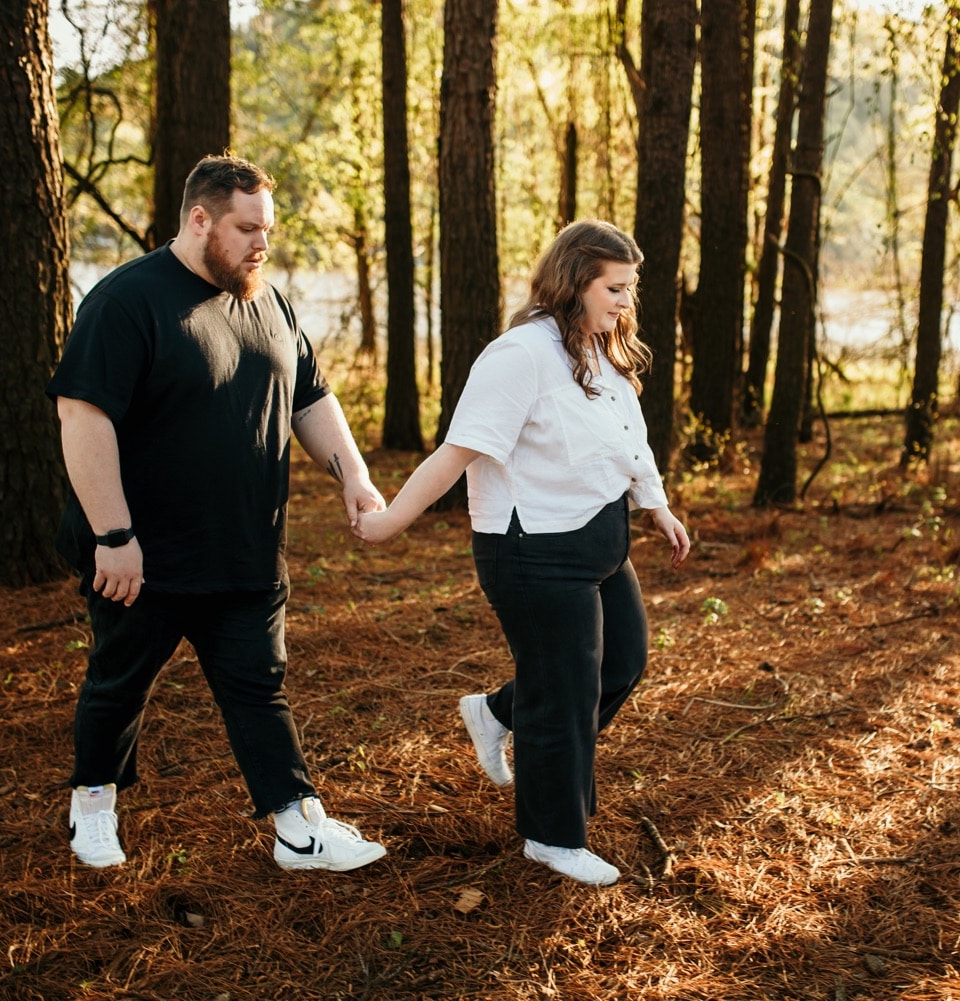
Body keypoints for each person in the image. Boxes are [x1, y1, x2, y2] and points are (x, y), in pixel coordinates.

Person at [47, 154, 387, 873]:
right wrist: (114, 534)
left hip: (247, 549)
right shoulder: (126, 301)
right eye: (247, 228)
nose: (262, 244)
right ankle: (94, 804)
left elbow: (310, 396)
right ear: (199, 219)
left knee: (259, 685)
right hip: (145, 555)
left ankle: (298, 825)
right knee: (120, 682)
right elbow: (82, 415)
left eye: (269, 229)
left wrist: (352, 474)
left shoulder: (267, 299)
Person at [354, 220, 690, 886]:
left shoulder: (599, 348)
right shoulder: (520, 355)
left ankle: (500, 711)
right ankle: (552, 835)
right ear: (574, 283)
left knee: (622, 661)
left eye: (630, 288)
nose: (626, 301)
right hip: (533, 551)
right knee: (564, 692)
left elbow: (629, 433)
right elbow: (458, 450)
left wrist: (656, 503)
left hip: (599, 539)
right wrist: (391, 520)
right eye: (614, 288)